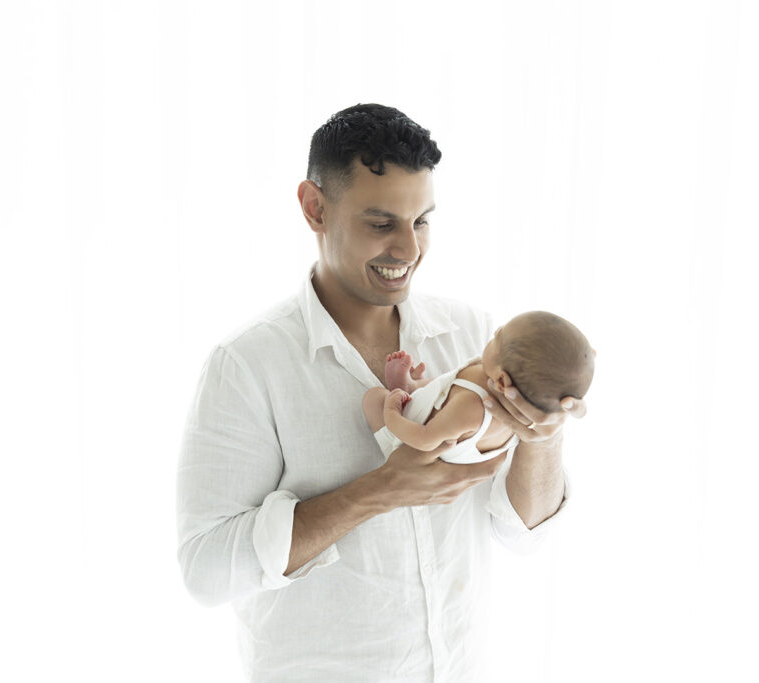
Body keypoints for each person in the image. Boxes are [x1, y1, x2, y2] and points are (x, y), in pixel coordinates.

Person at [175, 103, 589, 682]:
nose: (409, 250)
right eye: (381, 224)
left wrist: (543, 438)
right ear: (315, 208)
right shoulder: (246, 366)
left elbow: (519, 532)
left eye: (421, 221)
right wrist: (379, 490)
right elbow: (207, 569)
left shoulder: (478, 337)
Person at [363, 311, 594, 465]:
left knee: (374, 398)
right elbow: (450, 386)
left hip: (414, 449)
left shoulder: (472, 407)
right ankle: (413, 389)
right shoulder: (507, 395)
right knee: (450, 384)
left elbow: (425, 440)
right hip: (445, 416)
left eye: (497, 336)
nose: (493, 333)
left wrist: (392, 413)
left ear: (503, 381)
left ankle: (403, 401)